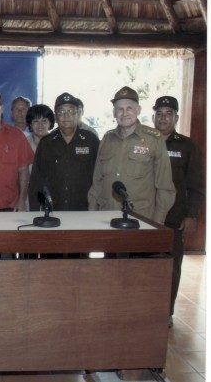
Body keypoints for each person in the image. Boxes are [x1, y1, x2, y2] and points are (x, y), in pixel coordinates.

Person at [88, 86, 175, 223]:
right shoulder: (107, 139)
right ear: (114, 113)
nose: (124, 113)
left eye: (129, 108)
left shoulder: (154, 139)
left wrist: (156, 224)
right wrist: (91, 215)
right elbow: (97, 182)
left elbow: (165, 188)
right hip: (105, 218)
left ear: (138, 110)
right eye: (120, 109)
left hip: (140, 219)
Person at [153, 95, 204, 324]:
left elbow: (196, 185)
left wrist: (192, 215)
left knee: (172, 266)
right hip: (145, 216)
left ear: (176, 117)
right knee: (145, 264)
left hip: (174, 217)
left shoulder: (187, 146)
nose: (164, 118)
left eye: (169, 114)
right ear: (154, 115)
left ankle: (166, 312)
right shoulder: (145, 141)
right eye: (160, 113)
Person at [29, 93, 99, 211]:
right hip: (53, 210)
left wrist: (96, 206)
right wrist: (35, 211)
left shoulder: (91, 140)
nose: (66, 115)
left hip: (85, 209)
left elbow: (100, 176)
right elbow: (36, 181)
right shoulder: (46, 143)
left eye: (71, 111)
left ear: (78, 114)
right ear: (56, 117)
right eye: (61, 112)